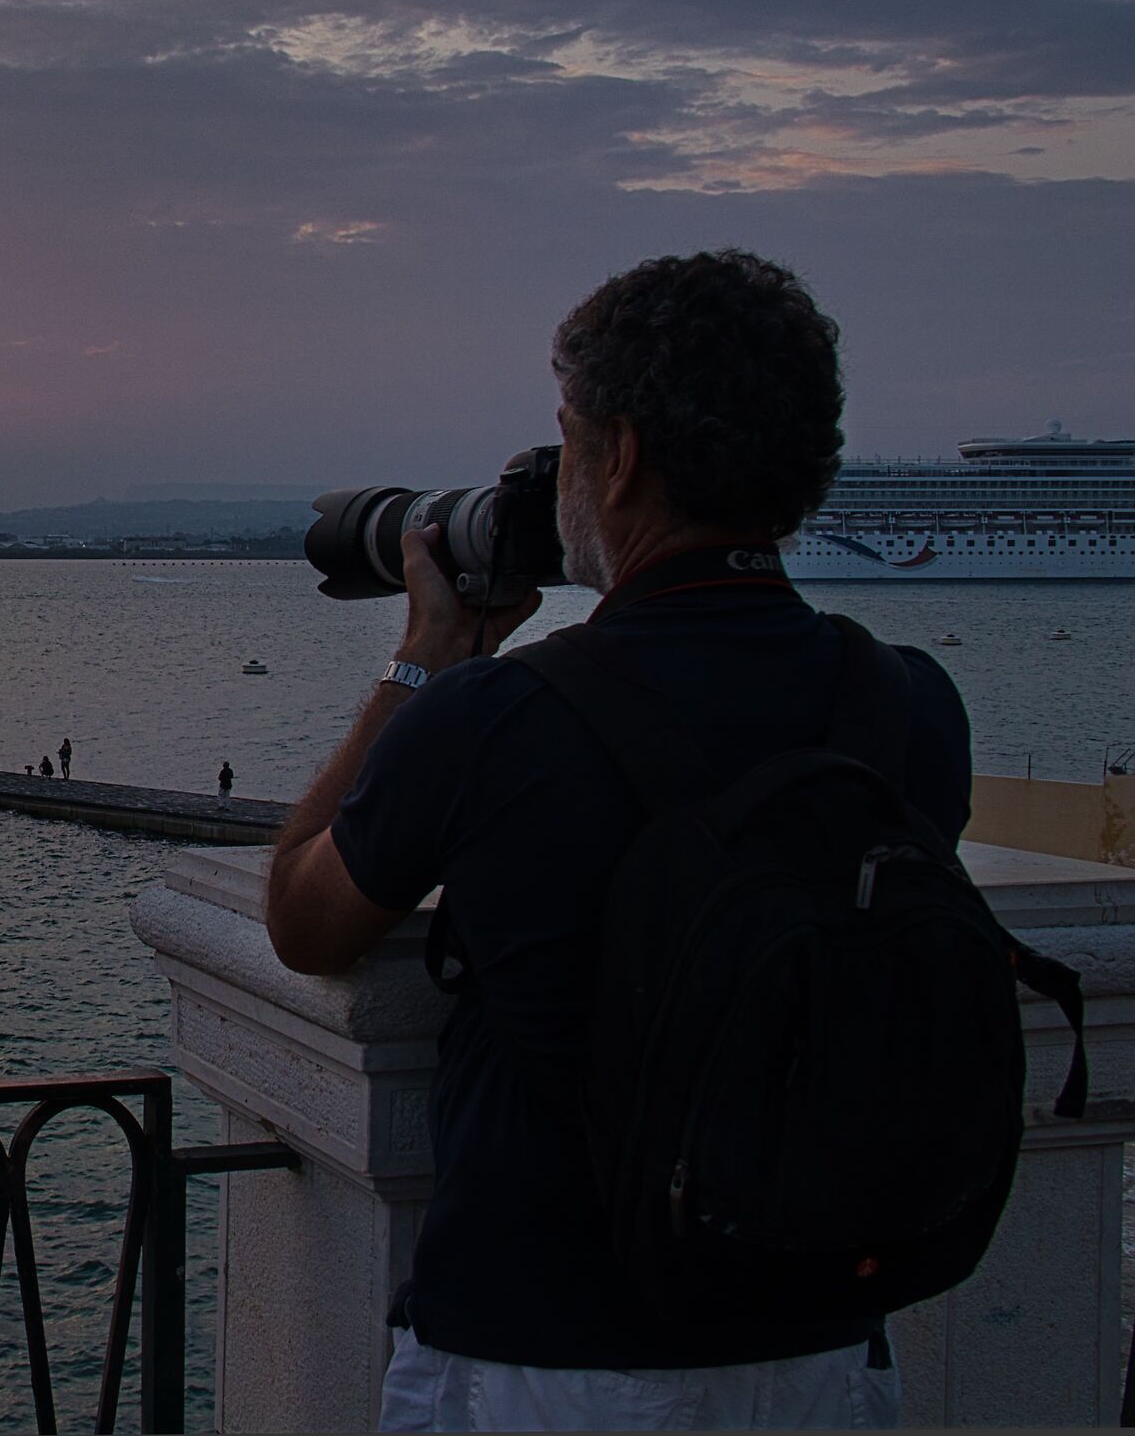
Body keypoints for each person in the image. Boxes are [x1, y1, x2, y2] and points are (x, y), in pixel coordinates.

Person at [262, 251, 966, 1430]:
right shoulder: (906, 707)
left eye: (569, 441)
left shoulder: (498, 717)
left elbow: (304, 912)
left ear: (622, 456)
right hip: (824, 1356)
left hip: (544, 1356)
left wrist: (425, 664)